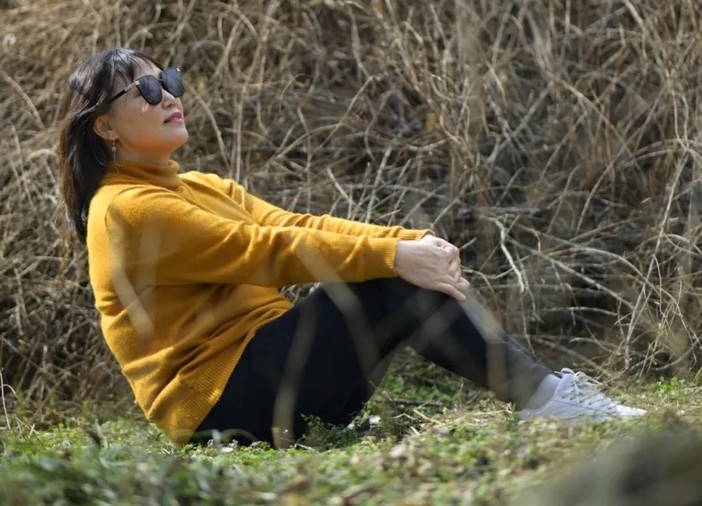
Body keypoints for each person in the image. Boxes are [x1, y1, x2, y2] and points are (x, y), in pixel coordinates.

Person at [58, 47, 645, 448]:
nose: (169, 96)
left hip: (266, 377)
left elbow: (297, 223)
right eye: (147, 89)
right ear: (104, 127)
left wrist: (408, 241)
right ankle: (548, 401)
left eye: (171, 81)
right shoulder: (127, 210)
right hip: (220, 408)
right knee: (390, 282)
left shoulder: (200, 187)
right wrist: (395, 259)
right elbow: (269, 250)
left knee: (397, 272)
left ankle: (546, 396)